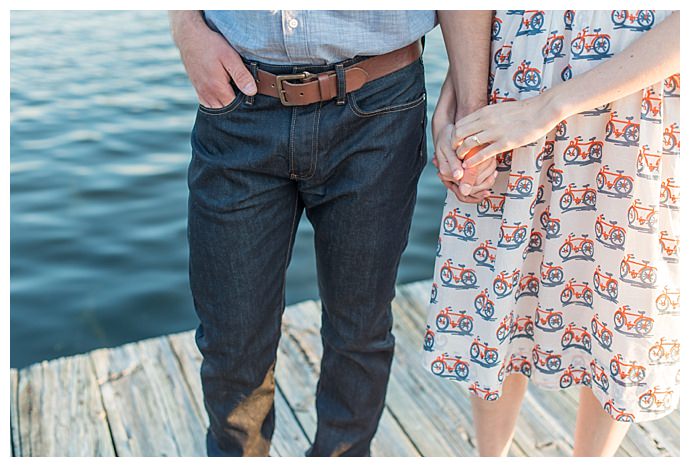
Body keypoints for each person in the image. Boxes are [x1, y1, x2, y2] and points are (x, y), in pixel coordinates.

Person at [169, 10, 436, 456]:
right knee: (230, 339)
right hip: (238, 101)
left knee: (359, 329)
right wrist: (185, 26)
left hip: (378, 105)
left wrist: (470, 96)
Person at [424, 10, 680, 456]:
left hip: (634, 92)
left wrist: (548, 106)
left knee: (616, 302)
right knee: (499, 291)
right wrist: (463, 97)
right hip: (512, 72)